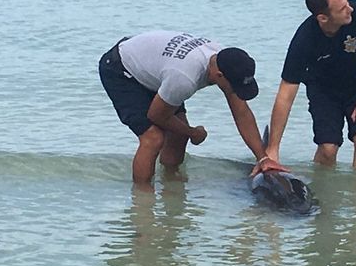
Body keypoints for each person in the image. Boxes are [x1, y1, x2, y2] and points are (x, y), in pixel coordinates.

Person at [99, 30, 285, 186]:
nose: (236, 92)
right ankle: (142, 200)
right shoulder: (185, 77)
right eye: (235, 87)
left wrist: (262, 158)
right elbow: (156, 115)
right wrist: (193, 133)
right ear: (219, 76)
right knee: (153, 138)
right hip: (120, 69)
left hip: (154, 68)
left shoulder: (225, 59)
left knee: (178, 134)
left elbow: (241, 113)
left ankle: (170, 184)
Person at [265, 0, 356, 170]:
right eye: (343, 8)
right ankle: (323, 197)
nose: (349, 9)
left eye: (346, 2)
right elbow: (286, 94)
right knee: (328, 148)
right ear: (323, 18)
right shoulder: (305, 39)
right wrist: (273, 149)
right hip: (324, 90)